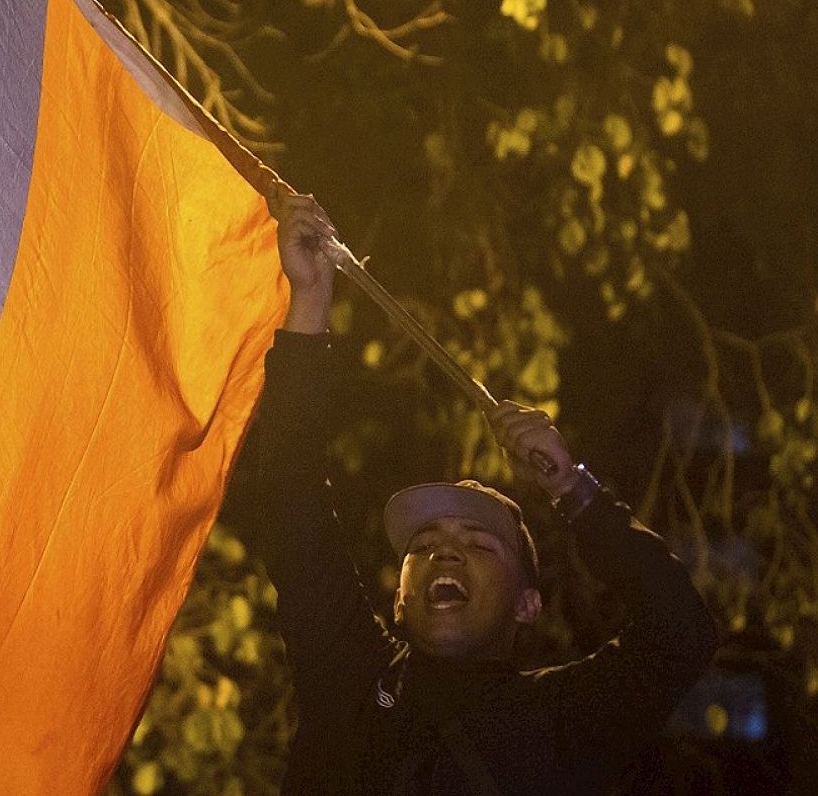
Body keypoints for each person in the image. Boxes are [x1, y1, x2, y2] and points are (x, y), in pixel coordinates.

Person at [222, 192, 719, 795]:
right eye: (424, 544)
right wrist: (310, 298)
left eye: (479, 545)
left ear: (526, 604)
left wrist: (571, 486)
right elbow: (291, 494)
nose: (444, 553)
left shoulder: (559, 720)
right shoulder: (350, 672)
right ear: (400, 601)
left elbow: (680, 635)